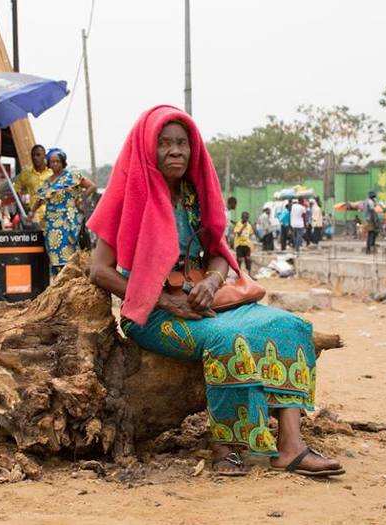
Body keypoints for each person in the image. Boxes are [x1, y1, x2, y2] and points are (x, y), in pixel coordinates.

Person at [88, 105, 343, 477]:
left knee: (291, 326)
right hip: (153, 314)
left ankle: (291, 446)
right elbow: (99, 271)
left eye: (182, 143)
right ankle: (229, 447)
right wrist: (163, 299)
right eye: (164, 143)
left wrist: (211, 282)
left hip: (207, 303)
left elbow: (218, 255)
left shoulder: (195, 194)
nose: (175, 151)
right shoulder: (129, 196)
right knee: (228, 340)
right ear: (146, 148)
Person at [27, 148, 96, 277]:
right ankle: (59, 281)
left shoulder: (72, 176)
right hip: (51, 224)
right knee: (54, 254)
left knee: (69, 252)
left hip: (68, 221)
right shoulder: (48, 182)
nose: (54, 164)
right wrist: (31, 213)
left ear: (63, 162)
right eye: (51, 162)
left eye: (57, 161)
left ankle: (73, 279)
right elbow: (39, 199)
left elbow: (92, 186)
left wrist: (80, 199)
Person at [14, 144, 53, 226]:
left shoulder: (52, 173)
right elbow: (15, 190)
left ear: (44, 156)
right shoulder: (25, 173)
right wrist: (23, 207)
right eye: (33, 155)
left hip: (51, 216)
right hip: (34, 217)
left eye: (38, 155)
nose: (35, 157)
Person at [233, 212, 255, 276]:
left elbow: (250, 234)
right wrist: (243, 227)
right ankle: (238, 275)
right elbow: (238, 234)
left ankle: (250, 275)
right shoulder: (238, 224)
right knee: (239, 260)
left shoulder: (249, 225)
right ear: (242, 217)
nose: (246, 219)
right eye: (245, 218)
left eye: (247, 218)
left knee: (248, 259)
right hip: (239, 245)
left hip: (247, 245)